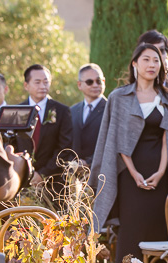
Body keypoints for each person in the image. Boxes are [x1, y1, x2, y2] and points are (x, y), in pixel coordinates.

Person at [89, 43, 168, 263]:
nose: (152, 65)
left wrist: (160, 172)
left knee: (164, 231)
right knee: (132, 233)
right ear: (134, 64)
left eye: (156, 60)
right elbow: (115, 140)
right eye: (146, 59)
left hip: (163, 177)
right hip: (130, 176)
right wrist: (135, 173)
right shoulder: (119, 97)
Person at [20, 64, 74, 203]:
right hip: (21, 181)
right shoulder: (18, 111)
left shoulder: (62, 111)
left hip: (53, 183)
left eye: (46, 82)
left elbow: (64, 148)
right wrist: (27, 173)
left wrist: (42, 174)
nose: (42, 86)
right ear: (26, 85)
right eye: (37, 82)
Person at [70, 64, 107, 167]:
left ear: (103, 82)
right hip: (74, 174)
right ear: (79, 85)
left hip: (101, 173)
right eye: (89, 82)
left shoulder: (112, 110)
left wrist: (89, 162)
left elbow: (111, 144)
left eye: (98, 81)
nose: (95, 85)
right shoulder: (72, 111)